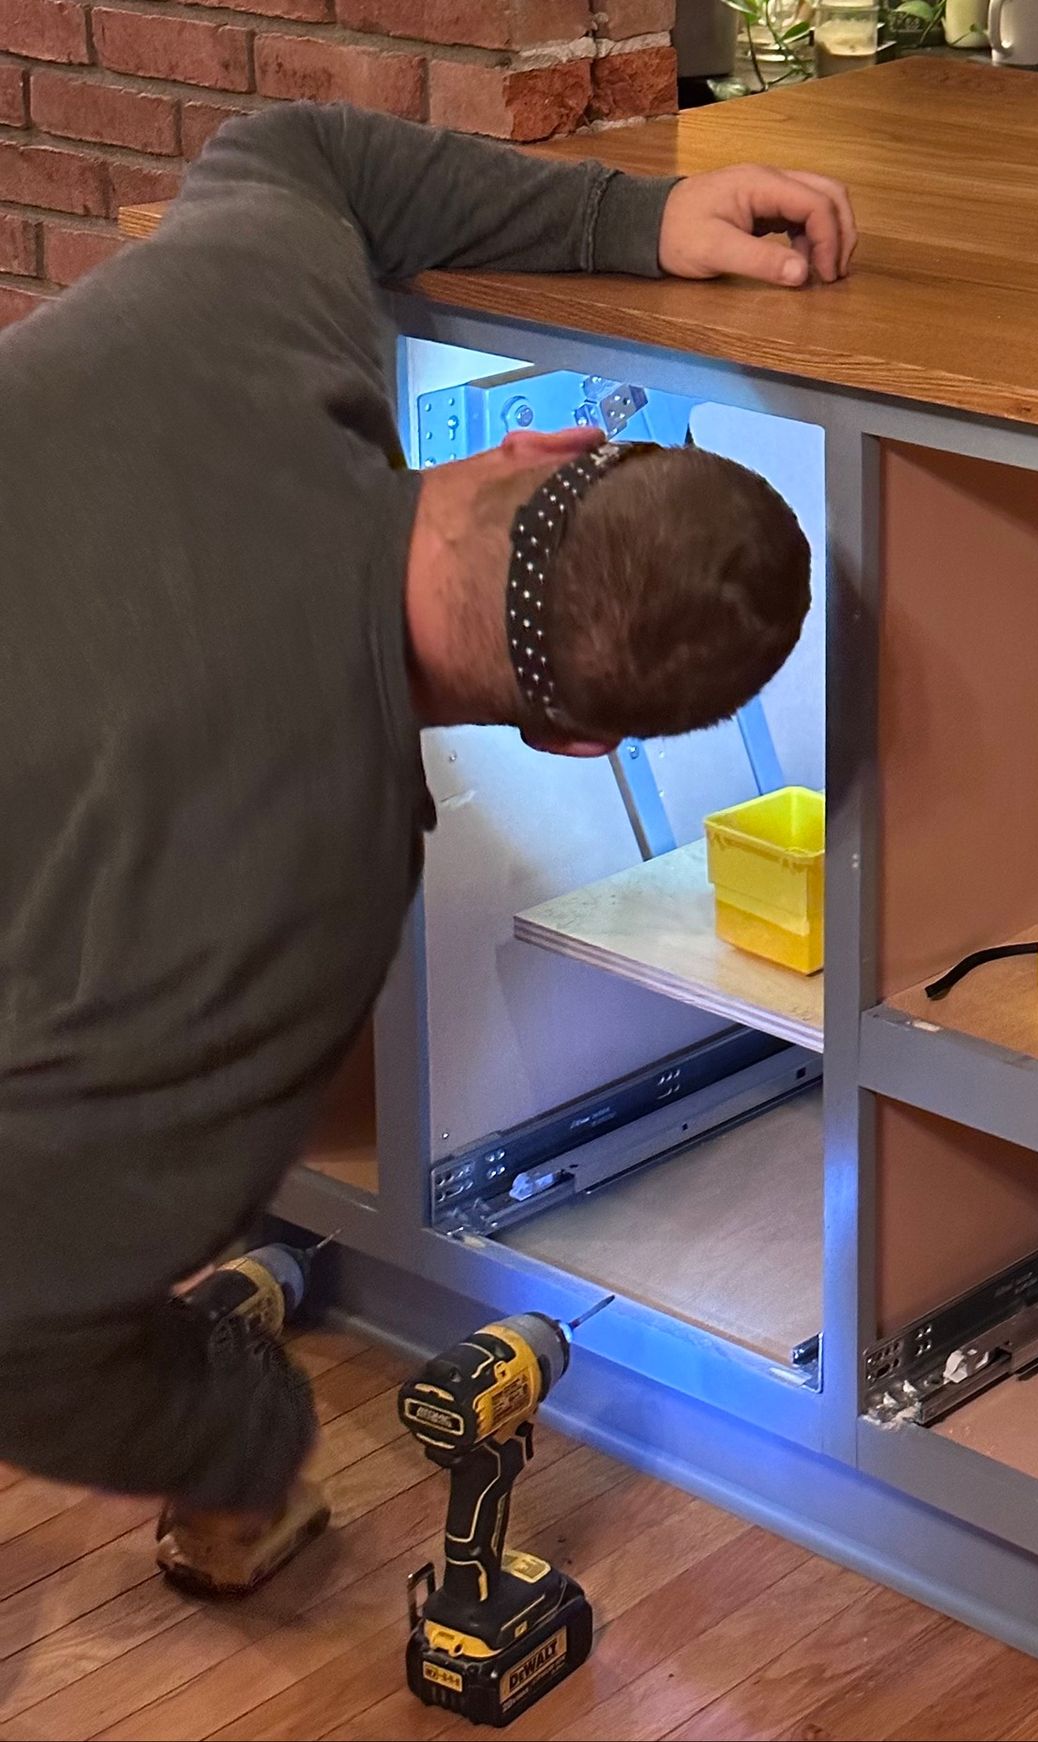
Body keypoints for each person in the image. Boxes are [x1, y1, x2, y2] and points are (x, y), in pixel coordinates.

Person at [0, 102, 854, 1574]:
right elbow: (26, 1323)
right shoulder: (307, 904)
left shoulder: (244, 324)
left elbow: (302, 152)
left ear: (540, 436)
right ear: (576, 742)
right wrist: (247, 1427)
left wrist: (635, 218)